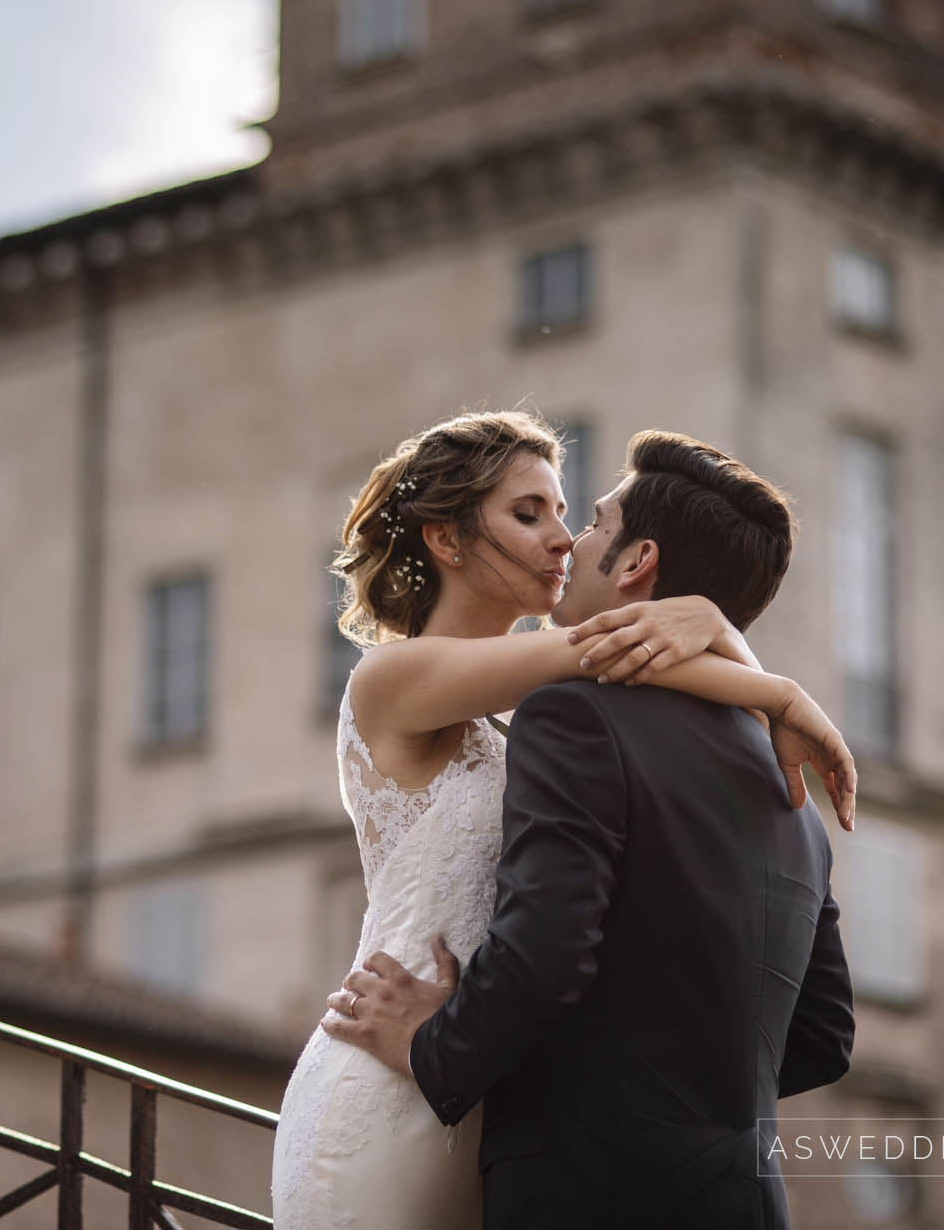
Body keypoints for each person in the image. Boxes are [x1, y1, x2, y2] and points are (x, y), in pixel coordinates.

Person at [270, 413, 854, 1230]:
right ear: (446, 538)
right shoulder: (390, 678)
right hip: (394, 1072)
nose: (564, 537)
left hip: (487, 1084)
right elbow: (597, 647)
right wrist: (763, 677)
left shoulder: (551, 724)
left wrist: (736, 653)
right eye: (529, 513)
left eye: (570, 512)